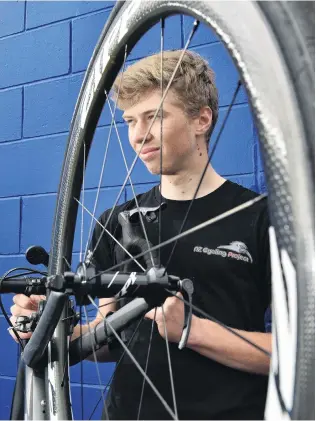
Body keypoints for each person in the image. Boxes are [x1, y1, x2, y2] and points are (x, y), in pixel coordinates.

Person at [9, 50, 271, 420]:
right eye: (130, 120)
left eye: (155, 116)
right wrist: (44, 332)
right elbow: (109, 339)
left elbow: (301, 356)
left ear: (202, 119)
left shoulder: (260, 218)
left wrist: (192, 330)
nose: (137, 135)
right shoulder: (118, 221)